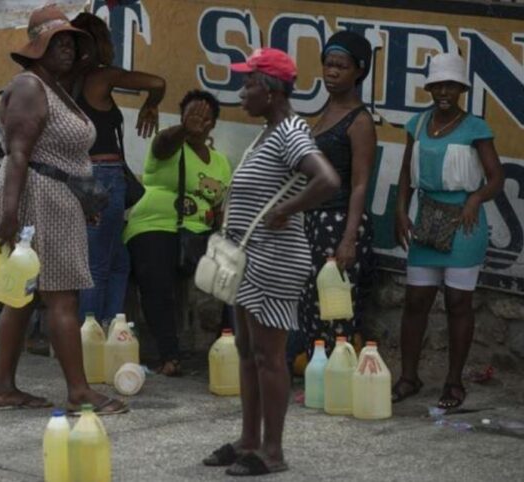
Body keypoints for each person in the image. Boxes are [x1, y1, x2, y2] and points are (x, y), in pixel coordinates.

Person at [202, 48, 339, 476]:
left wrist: (287, 210)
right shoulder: (270, 131)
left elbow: (328, 179)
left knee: (268, 357)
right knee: (247, 352)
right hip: (250, 259)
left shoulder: (290, 133)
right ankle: (249, 440)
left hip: (275, 260)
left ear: (272, 90)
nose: (241, 92)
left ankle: (273, 452)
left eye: (248, 84)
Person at [0, 5, 127, 414]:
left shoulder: (54, 87)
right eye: (57, 42)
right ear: (37, 47)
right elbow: (18, 154)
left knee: (22, 296)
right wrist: (9, 216)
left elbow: (61, 158)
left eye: (70, 42)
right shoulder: (31, 86)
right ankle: (79, 392)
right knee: (62, 298)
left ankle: (3, 388)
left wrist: (84, 202)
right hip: (37, 198)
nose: (66, 48)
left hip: (55, 196)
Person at [392, 53, 504, 410]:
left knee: (458, 303)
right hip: (426, 218)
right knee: (416, 301)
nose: (443, 91)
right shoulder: (418, 123)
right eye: (437, 85)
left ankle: (453, 382)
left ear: (461, 89)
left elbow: (496, 178)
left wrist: (476, 199)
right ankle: (409, 377)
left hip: (464, 222)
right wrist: (399, 211)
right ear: (429, 87)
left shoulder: (475, 128)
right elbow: (406, 173)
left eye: (450, 85)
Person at [123, 90, 232, 376]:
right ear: (182, 116)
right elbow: (161, 144)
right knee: (157, 279)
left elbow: (220, 202)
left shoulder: (220, 161)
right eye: (192, 114)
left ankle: (231, 348)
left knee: (235, 275)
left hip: (199, 233)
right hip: (156, 224)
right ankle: (169, 356)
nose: (199, 121)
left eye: (206, 117)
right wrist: (183, 130)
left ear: (213, 124)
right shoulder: (170, 143)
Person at [69, 12, 166, 326]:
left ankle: (111, 329)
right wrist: (151, 104)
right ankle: (91, 335)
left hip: (78, 176)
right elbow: (157, 83)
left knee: (118, 261)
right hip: (105, 175)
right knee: (98, 263)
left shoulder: (64, 81)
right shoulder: (102, 76)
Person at [296, 31, 377, 356]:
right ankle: (318, 369)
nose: (332, 72)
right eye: (328, 64)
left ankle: (336, 372)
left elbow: (360, 183)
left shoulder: (359, 121)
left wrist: (348, 239)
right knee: (311, 300)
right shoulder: (324, 113)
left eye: (341, 66)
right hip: (314, 220)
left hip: (340, 221)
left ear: (359, 70)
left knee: (335, 304)